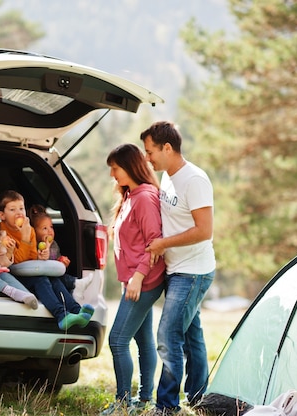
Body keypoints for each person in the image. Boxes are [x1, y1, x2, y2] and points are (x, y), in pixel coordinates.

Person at [141, 121, 216, 415]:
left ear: (167, 148)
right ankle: (199, 398)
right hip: (177, 270)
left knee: (168, 335)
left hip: (193, 272)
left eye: (151, 152)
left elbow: (204, 230)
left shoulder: (194, 180)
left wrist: (162, 244)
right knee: (191, 337)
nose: (148, 158)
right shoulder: (169, 177)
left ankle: (166, 405)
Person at [101, 143, 166, 415]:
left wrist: (138, 277)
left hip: (145, 281)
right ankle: (144, 399)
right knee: (142, 339)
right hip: (134, 280)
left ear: (129, 167)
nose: (112, 174)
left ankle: (123, 403)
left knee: (117, 340)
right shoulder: (131, 196)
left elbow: (155, 242)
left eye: (115, 168)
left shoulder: (145, 197)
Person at [0, 190, 94, 330]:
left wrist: (41, 256)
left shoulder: (29, 230)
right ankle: (62, 316)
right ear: (2, 215)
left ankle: (76, 311)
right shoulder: (1, 231)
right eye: (12, 209)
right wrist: (24, 238)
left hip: (26, 271)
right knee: (41, 280)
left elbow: (31, 257)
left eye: (22, 208)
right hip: (11, 274)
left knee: (53, 279)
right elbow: (16, 261)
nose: (19, 213)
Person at [28, 204, 77, 292]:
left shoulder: (54, 244)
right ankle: (76, 283)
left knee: (63, 280)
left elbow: (56, 260)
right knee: (62, 280)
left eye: (51, 227)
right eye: (44, 228)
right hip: (44, 277)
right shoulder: (34, 245)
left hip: (55, 275)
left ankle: (76, 286)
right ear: (34, 231)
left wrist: (62, 261)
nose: (50, 231)